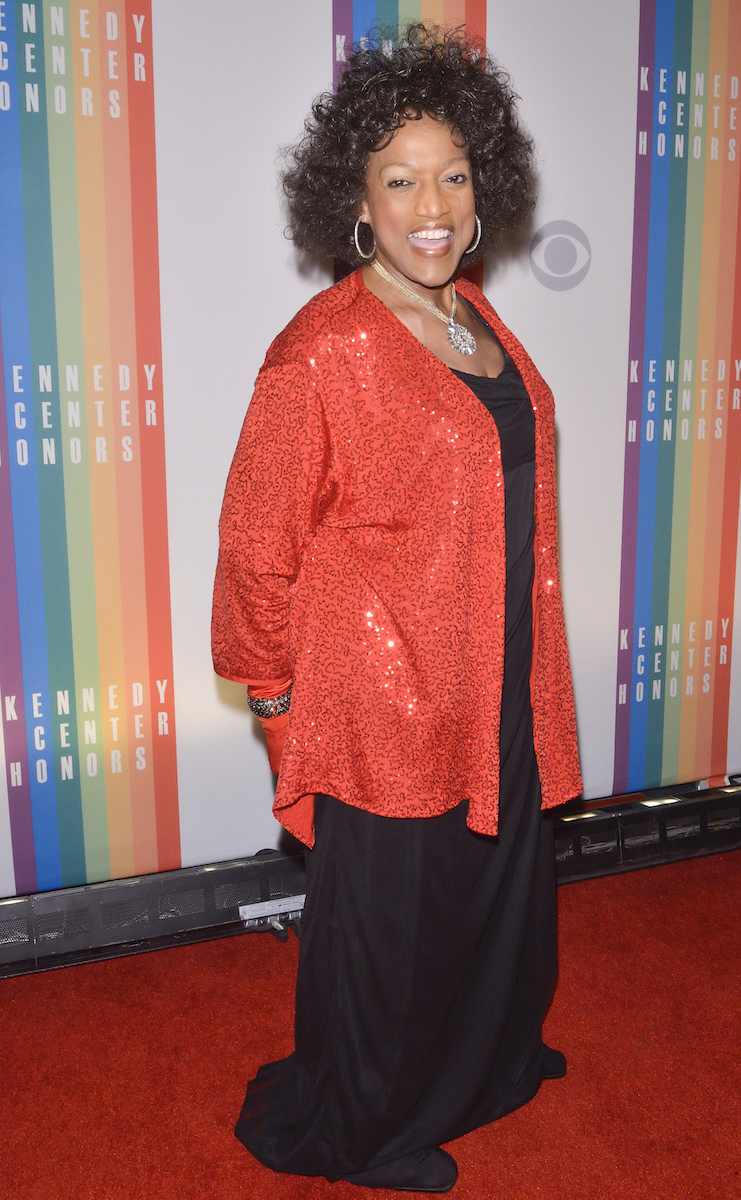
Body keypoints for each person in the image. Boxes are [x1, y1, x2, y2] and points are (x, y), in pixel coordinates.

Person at [212, 25, 582, 1194]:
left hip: (501, 674)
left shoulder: (476, 317)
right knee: (390, 933)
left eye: (454, 175)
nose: (433, 205)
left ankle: (482, 1068)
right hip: (381, 701)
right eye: (401, 180)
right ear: (357, 205)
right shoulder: (319, 354)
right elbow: (252, 548)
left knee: (494, 893)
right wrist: (275, 698)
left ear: (483, 192)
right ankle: (359, 1127)